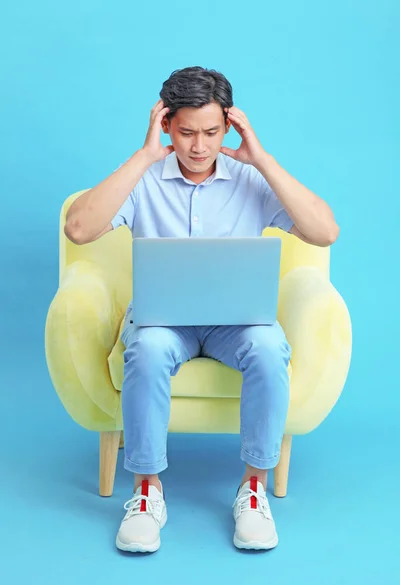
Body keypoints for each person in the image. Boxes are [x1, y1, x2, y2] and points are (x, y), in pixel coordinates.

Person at [65, 66, 339, 554]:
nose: (199, 146)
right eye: (186, 132)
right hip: (162, 321)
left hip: (236, 323)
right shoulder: (145, 177)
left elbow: (325, 231)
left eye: (211, 132)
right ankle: (147, 490)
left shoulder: (251, 179)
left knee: (270, 346)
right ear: (166, 124)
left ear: (229, 128)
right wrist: (144, 154)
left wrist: (264, 160)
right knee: (146, 349)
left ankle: (253, 487)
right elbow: (80, 229)